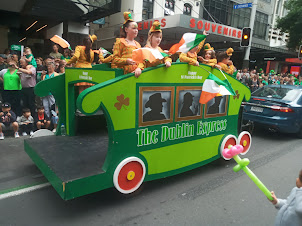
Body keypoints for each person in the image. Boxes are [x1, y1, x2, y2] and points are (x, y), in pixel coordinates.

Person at [112, 12, 144, 77]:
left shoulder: (138, 44)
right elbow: (115, 59)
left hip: (136, 75)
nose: (136, 30)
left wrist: (139, 68)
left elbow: (141, 61)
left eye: (137, 28)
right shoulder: (120, 42)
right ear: (126, 29)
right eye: (133, 28)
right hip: (123, 76)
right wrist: (126, 61)